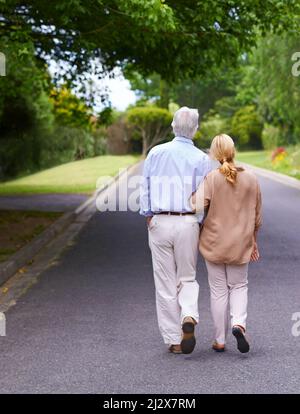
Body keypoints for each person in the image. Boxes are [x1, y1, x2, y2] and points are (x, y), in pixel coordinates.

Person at [140, 107, 211, 354]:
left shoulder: (156, 153)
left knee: (164, 282)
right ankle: (188, 315)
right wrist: (199, 221)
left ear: (172, 126)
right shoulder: (201, 158)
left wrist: (148, 215)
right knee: (187, 277)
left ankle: (174, 340)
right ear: (195, 129)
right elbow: (204, 195)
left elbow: (145, 187)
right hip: (187, 222)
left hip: (160, 221)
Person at [191, 134, 262, 353]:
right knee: (239, 286)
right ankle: (238, 324)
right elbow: (257, 218)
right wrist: (253, 242)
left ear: (214, 154)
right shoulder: (251, 178)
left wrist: (193, 193)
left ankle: (219, 340)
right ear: (234, 151)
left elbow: (196, 206)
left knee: (219, 291)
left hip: (214, 243)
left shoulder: (212, 178)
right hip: (240, 244)